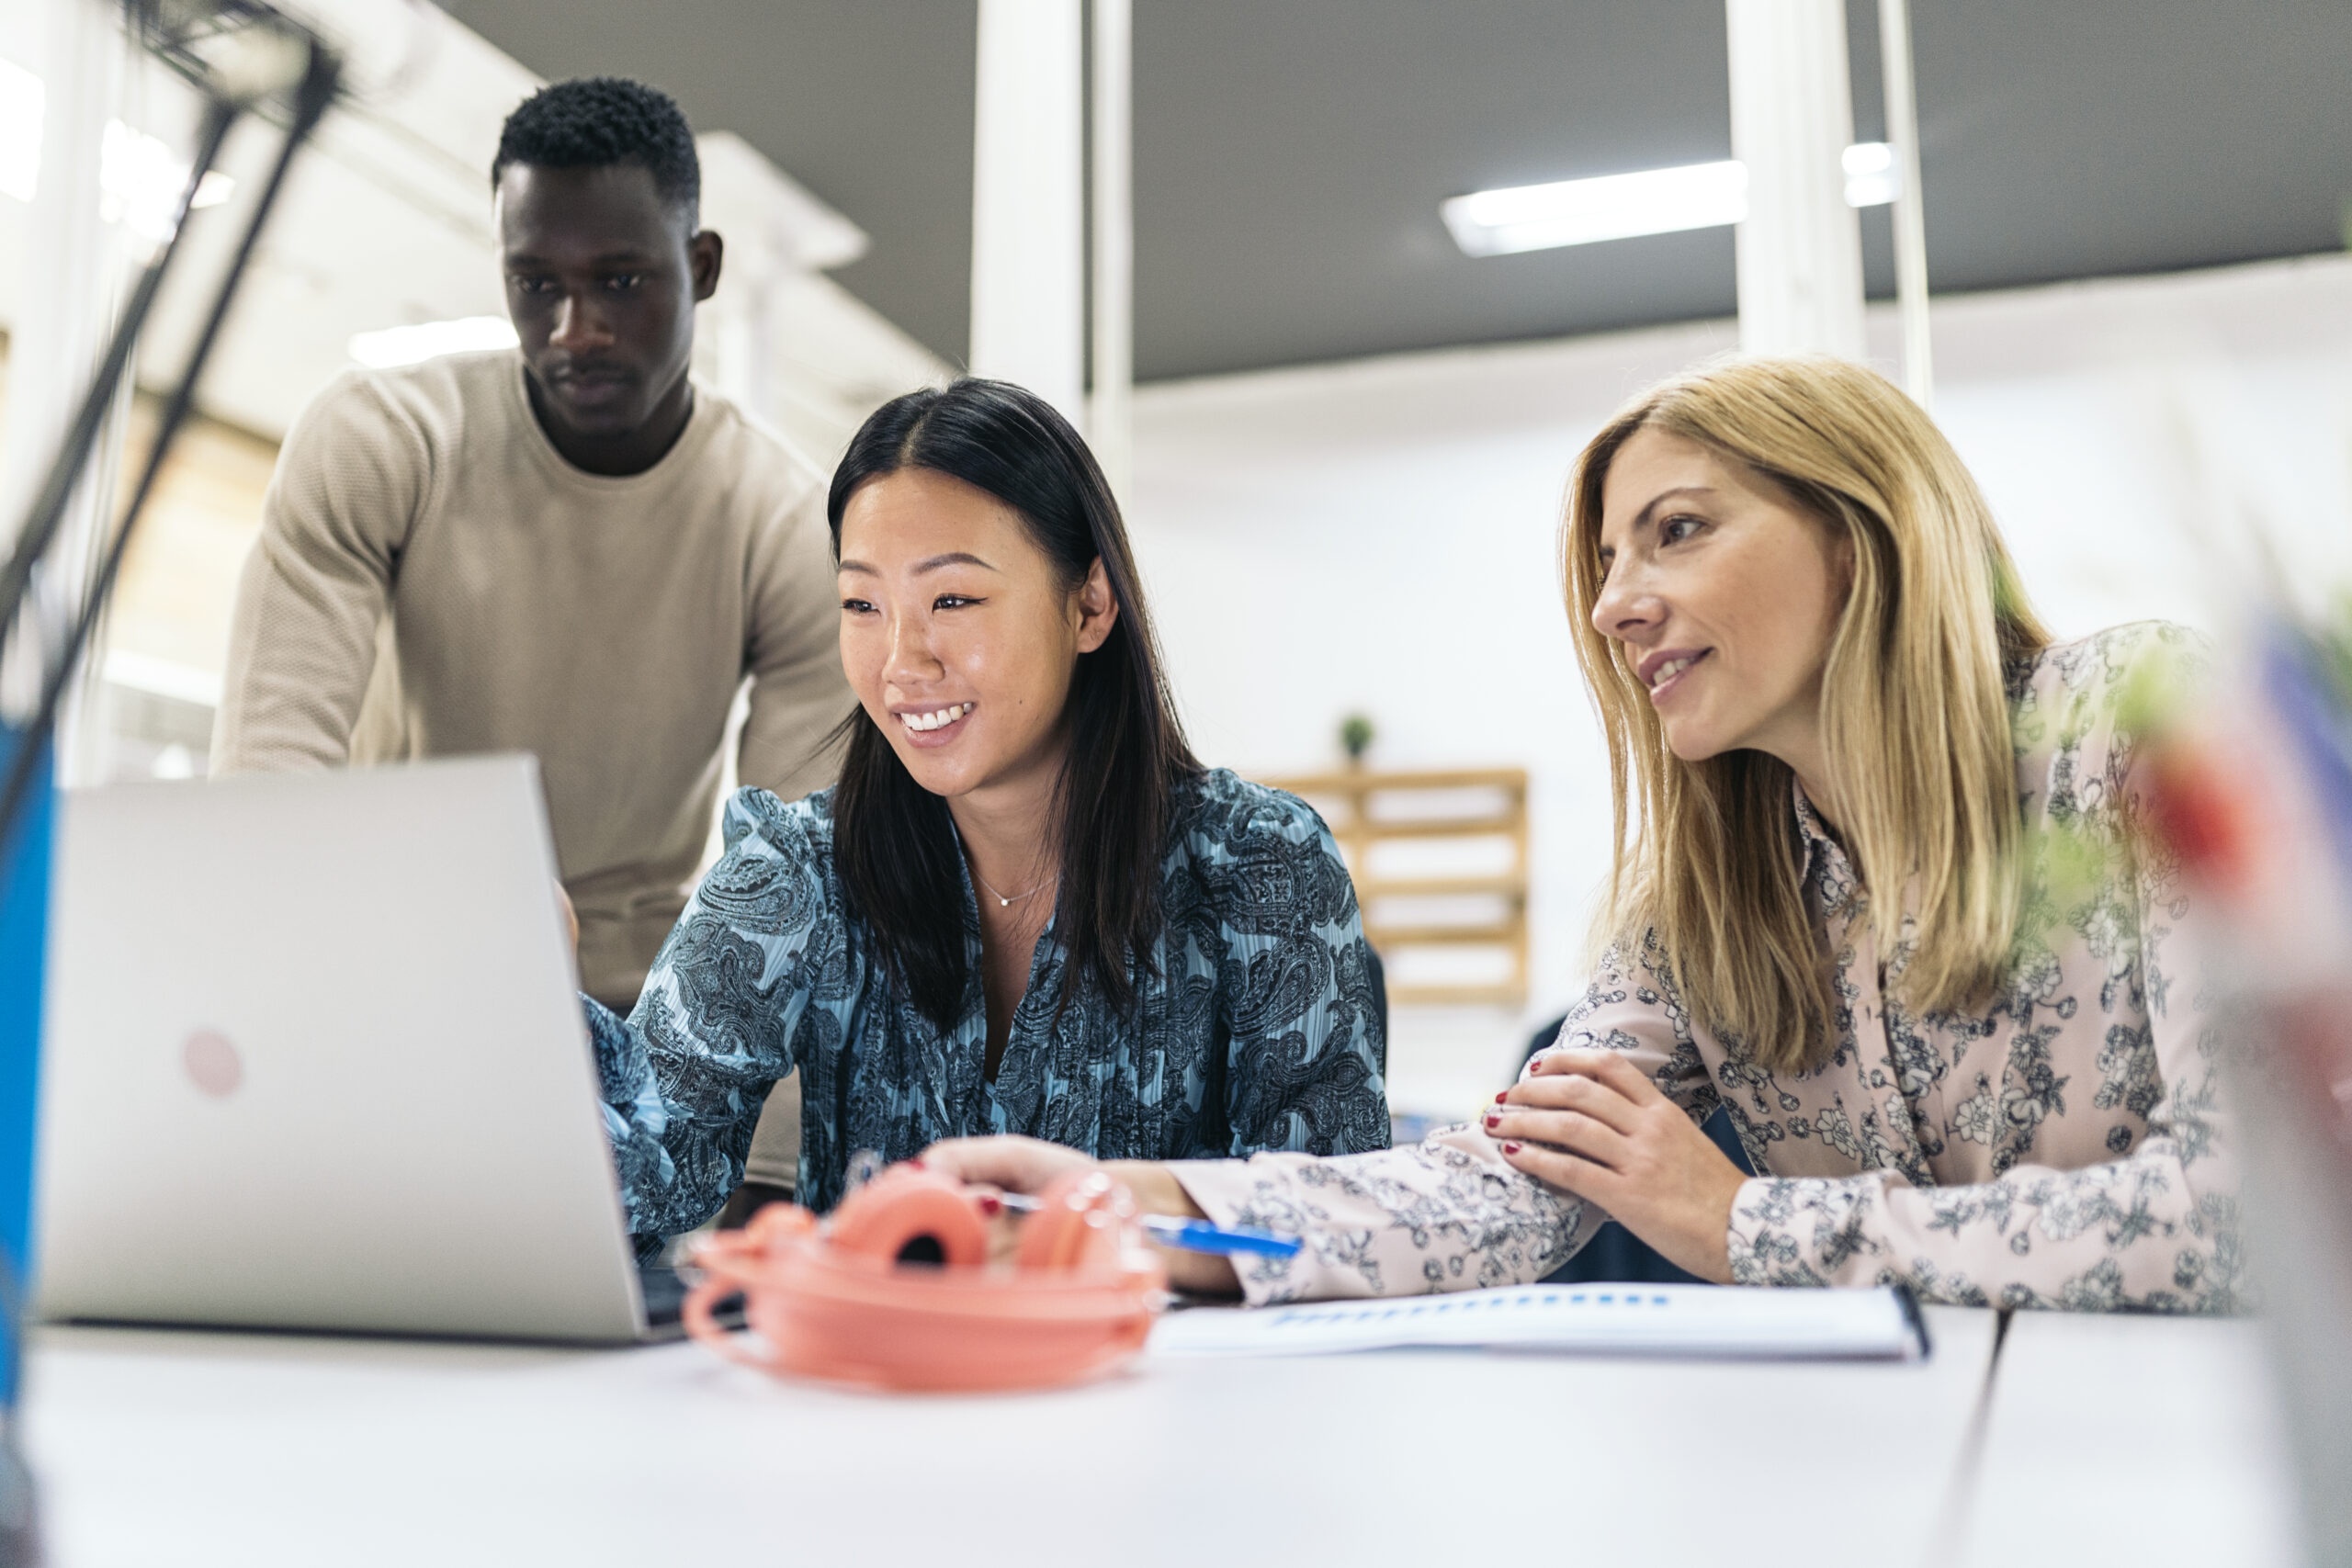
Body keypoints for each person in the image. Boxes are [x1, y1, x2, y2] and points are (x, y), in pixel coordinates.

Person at [925, 355, 2242, 1314]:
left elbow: (2242, 1214)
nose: (1616, 605)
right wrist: (1137, 1205)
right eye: (1608, 560)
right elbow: (1510, 1186)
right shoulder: (1696, 905)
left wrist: (1748, 1223)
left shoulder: (2141, 729)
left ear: (1861, 534)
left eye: (1677, 530)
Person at [211, 78, 850, 1175]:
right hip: (381, 975)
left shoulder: (790, 527)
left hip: (628, 1030)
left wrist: (764, 1184)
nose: (574, 330)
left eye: (620, 281)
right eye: (534, 283)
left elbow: (786, 906)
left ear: (700, 269)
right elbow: (268, 793)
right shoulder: (380, 438)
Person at [589, 377, 1390, 1246]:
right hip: (870, 1378)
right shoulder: (796, 872)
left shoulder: (1259, 866)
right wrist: (525, 1010)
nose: (902, 661)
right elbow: (644, 1174)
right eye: (862, 604)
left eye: (954, 600)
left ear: (1090, 605)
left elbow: (1331, 1223)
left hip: (1163, 1380)